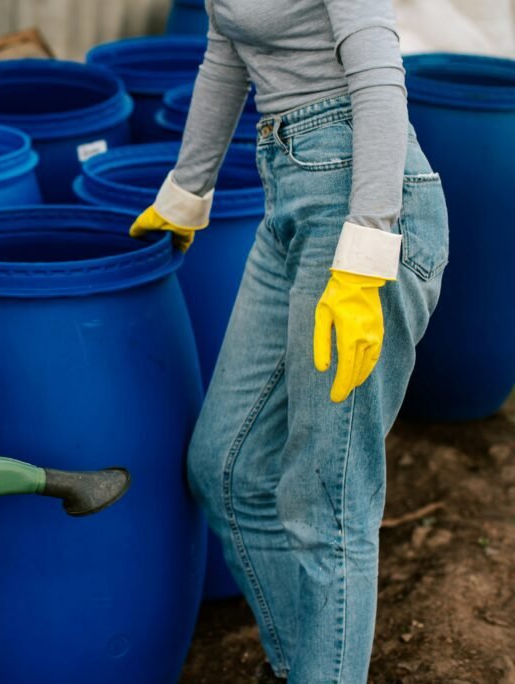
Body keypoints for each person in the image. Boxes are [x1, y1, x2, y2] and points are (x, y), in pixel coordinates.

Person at [131, 1, 448, 682]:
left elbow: (379, 81)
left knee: (326, 501)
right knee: (225, 466)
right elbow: (225, 54)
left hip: (367, 205)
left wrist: (365, 259)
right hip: (290, 197)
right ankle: (311, 666)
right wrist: (188, 188)